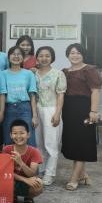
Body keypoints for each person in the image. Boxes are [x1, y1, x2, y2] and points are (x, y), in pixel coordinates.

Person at [61, 43, 102, 191]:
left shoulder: (89, 70)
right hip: (68, 110)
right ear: (67, 55)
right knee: (73, 143)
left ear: (83, 55)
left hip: (84, 109)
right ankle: (83, 174)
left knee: (82, 143)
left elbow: (96, 91)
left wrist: (93, 111)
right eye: (72, 53)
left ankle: (74, 179)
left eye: (78, 53)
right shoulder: (65, 72)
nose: (75, 55)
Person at [34, 46, 67, 186]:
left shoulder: (58, 74)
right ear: (37, 57)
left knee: (51, 143)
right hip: (37, 109)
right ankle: (41, 170)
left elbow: (60, 95)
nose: (44, 58)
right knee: (39, 143)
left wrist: (57, 113)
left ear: (52, 57)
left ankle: (50, 173)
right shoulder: (33, 73)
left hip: (52, 109)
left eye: (47, 56)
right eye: (41, 55)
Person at [2, 119, 44, 203]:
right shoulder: (6, 150)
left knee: (39, 184)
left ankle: (28, 198)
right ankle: (13, 196)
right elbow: (5, 172)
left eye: (22, 133)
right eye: (15, 133)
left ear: (28, 134)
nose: (18, 136)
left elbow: (32, 174)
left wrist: (20, 162)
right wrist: (25, 179)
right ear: (10, 135)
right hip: (13, 180)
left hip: (28, 180)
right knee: (3, 180)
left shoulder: (34, 152)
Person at [2, 46, 38, 146]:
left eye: (19, 54)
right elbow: (2, 94)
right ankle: (10, 157)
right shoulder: (3, 74)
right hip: (8, 108)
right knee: (9, 138)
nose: (16, 56)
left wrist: (34, 116)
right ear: (9, 57)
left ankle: (30, 157)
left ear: (23, 57)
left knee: (28, 138)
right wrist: (1, 112)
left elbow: (32, 95)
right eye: (13, 54)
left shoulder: (29, 74)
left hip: (25, 108)